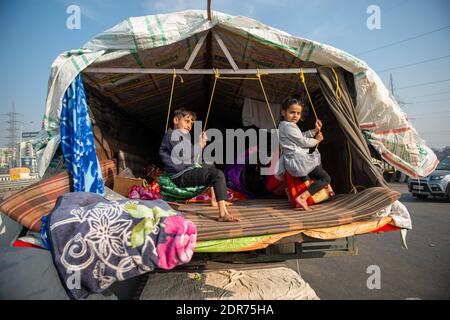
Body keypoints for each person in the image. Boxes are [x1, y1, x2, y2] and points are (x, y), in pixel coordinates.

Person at [159, 108, 240, 222]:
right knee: (217, 174)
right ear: (176, 120)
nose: (189, 125)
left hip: (187, 170)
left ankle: (214, 200)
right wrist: (200, 146)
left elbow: (193, 157)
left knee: (209, 164)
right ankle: (223, 214)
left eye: (191, 123)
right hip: (180, 175)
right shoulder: (172, 135)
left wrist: (199, 144)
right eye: (187, 121)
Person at [277, 98, 331, 210]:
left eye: (298, 113)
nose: (295, 116)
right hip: (298, 161)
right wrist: (317, 141)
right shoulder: (288, 126)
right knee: (325, 178)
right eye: (292, 112)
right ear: (283, 112)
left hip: (295, 161)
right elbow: (302, 142)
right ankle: (303, 197)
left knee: (309, 177)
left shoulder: (286, 125)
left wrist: (315, 130)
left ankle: (296, 195)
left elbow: (301, 135)